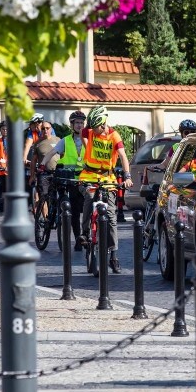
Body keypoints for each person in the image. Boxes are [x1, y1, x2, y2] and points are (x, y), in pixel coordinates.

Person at [77, 105, 134, 273]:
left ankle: (113, 255)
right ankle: (85, 231)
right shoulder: (88, 132)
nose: (92, 131)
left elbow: (123, 156)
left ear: (103, 124)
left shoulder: (114, 135)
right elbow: (82, 133)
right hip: (88, 175)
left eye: (96, 128)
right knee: (89, 196)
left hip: (108, 178)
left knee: (111, 214)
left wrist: (127, 176)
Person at [42, 110, 87, 250]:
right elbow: (52, 152)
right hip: (69, 179)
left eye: (81, 123)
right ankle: (78, 239)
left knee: (85, 209)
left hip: (85, 179)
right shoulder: (66, 140)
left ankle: (84, 236)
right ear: (72, 125)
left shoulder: (89, 140)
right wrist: (43, 164)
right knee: (72, 210)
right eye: (77, 123)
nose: (80, 125)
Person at [28, 121, 60, 216]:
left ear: (51, 129)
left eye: (47, 128)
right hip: (44, 173)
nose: (45, 130)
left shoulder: (58, 140)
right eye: (43, 128)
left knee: (56, 196)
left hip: (57, 173)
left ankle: (56, 216)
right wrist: (32, 176)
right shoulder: (38, 143)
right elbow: (33, 161)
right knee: (43, 196)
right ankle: (46, 219)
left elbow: (64, 156)